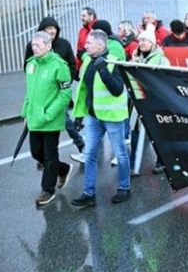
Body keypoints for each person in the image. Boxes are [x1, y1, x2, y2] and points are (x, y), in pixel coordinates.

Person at [70, 30, 131, 208]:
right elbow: (84, 90)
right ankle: (88, 193)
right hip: (93, 116)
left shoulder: (113, 62)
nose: (85, 46)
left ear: (100, 45)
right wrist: (80, 115)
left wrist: (104, 70)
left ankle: (124, 188)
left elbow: (118, 89)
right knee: (89, 154)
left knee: (120, 153)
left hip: (112, 117)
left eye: (89, 43)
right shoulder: (88, 61)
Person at [22, 31, 73, 206]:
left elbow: (65, 94)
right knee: (36, 152)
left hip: (50, 119)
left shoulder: (59, 65)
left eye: (38, 45)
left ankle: (47, 190)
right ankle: (63, 168)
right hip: (35, 118)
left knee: (50, 154)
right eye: (32, 45)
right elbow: (30, 92)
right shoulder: (31, 64)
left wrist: (49, 114)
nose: (33, 48)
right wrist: (26, 113)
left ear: (48, 46)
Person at [23, 17, 84, 156]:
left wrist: (68, 79)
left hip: (57, 94)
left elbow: (71, 64)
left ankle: (80, 145)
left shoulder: (63, 44)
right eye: (48, 28)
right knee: (41, 132)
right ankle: (44, 156)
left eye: (53, 28)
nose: (51, 31)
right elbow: (28, 65)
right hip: (41, 92)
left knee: (65, 121)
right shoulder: (32, 46)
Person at [129, 30, 170, 174]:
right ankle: (133, 162)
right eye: (139, 41)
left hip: (154, 102)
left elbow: (165, 80)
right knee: (135, 134)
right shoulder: (138, 58)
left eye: (144, 41)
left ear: (152, 43)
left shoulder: (161, 59)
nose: (141, 44)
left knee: (157, 134)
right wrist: (133, 62)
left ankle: (161, 161)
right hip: (139, 102)